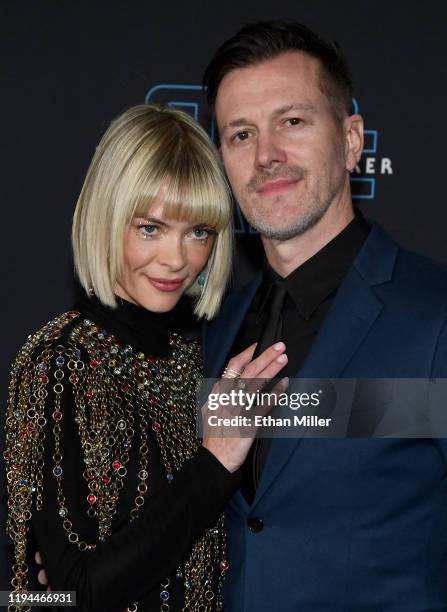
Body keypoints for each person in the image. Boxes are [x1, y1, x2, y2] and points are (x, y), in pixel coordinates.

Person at [201, 20, 447, 611]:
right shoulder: (215, 332)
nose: (267, 155)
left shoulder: (434, 316)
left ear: (353, 139)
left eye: (292, 121)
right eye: (240, 134)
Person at [3, 104, 288, 612]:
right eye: (150, 228)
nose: (177, 259)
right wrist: (216, 460)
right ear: (107, 219)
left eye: (198, 231)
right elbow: (74, 594)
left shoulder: (193, 356)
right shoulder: (60, 360)